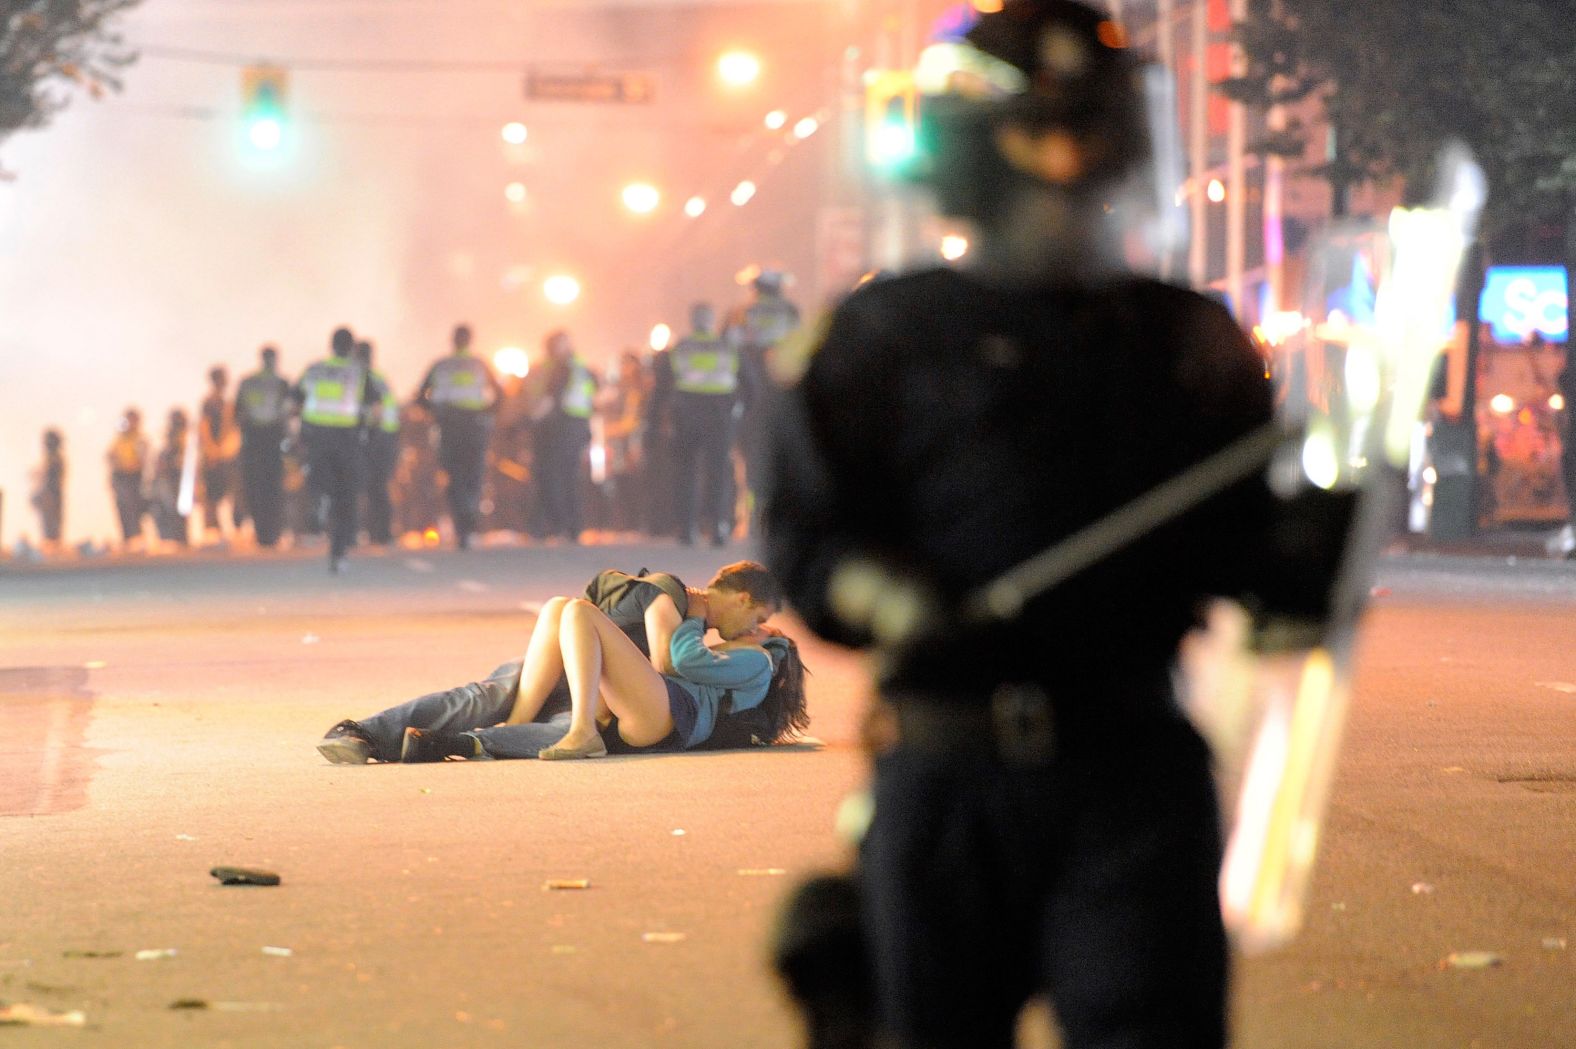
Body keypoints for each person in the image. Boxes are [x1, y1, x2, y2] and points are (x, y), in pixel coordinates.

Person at [763, 4, 1292, 1047]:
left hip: (1132, 769)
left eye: (1083, 127)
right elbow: (810, 544)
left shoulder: (1187, 341)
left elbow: (1247, 554)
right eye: (1037, 131)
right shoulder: (880, 338)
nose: (1063, 159)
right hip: (946, 772)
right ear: (974, 147)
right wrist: (890, 596)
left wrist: (1307, 551)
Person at [315, 561, 786, 763]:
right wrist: (691, 615)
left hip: (597, 685)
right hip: (582, 672)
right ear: (743, 599)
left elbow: (667, 670)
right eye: (759, 618)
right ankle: (369, 734)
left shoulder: (734, 649)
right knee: (496, 692)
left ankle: (407, 740)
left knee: (501, 701)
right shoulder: (675, 599)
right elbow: (667, 662)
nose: (752, 630)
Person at [654, 302, 741, 547]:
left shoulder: (681, 348)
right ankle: (718, 527)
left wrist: (656, 419)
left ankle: (687, 528)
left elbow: (661, 388)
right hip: (720, 417)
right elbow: (749, 383)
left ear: (692, 320)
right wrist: (739, 410)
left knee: (686, 472)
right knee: (719, 473)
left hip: (686, 417)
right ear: (711, 321)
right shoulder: (727, 347)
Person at [295, 326, 377, 573]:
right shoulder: (359, 372)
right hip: (347, 439)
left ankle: (320, 502)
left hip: (317, 437)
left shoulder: (315, 369)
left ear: (331, 345)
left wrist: (299, 434)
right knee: (346, 497)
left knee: (320, 484)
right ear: (351, 347)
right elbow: (375, 409)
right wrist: (369, 435)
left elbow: (292, 401)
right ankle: (339, 553)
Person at [416, 323, 504, 550]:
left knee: (454, 476)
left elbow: (420, 397)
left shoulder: (441, 365)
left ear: (452, 340)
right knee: (474, 475)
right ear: (470, 340)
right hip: (475, 425)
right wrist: (487, 413)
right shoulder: (480, 364)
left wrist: (436, 411)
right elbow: (500, 394)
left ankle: (461, 528)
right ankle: (470, 525)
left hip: (450, 425)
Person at [727, 267, 798, 531]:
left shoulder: (741, 314)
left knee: (749, 457)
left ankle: (754, 516)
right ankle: (779, 515)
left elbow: (730, 352)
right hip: (782, 396)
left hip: (748, 399)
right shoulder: (789, 313)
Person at [529, 329, 598, 544]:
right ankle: (571, 525)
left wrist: (530, 419)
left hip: (561, 427)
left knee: (554, 476)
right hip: (578, 425)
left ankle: (560, 523)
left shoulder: (562, 368)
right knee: (569, 476)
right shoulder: (581, 367)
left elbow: (551, 398)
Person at [235, 345, 292, 548]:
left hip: (253, 441)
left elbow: (238, 414)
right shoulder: (281, 383)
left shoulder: (248, 382)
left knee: (256, 488)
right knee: (273, 487)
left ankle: (262, 534)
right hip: (273, 441)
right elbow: (287, 414)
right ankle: (272, 534)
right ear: (275, 359)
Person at [355, 339, 401, 547]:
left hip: (373, 437)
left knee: (365, 487)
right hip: (388, 437)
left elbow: (373, 411)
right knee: (379, 487)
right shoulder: (380, 378)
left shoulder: (361, 379)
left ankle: (372, 532)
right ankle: (381, 532)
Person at [197, 365, 241, 546]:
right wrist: (211, 449)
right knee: (213, 493)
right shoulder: (210, 402)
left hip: (227, 453)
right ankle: (212, 530)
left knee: (229, 490)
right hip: (214, 454)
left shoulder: (227, 403)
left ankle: (229, 528)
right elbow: (204, 426)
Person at [106, 407, 149, 552]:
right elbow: (110, 455)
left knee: (133, 507)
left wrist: (128, 465)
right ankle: (126, 538)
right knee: (122, 507)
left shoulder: (139, 438)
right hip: (120, 477)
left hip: (133, 477)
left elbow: (141, 459)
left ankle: (136, 536)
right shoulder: (119, 438)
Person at [149, 407, 192, 547]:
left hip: (179, 480)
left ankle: (181, 541)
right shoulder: (172, 440)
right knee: (171, 513)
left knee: (179, 515)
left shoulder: (187, 440)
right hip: (170, 480)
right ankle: (177, 540)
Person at [32, 428, 66, 555]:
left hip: (52, 493)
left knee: (52, 521)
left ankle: (53, 544)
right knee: (49, 521)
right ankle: (51, 543)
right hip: (51, 493)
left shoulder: (55, 459)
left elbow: (51, 478)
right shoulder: (51, 458)